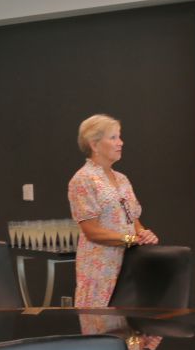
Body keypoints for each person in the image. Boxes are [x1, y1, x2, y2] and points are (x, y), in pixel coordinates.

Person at [68, 115, 158, 308]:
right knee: (102, 327)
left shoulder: (122, 179)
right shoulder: (83, 179)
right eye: (113, 137)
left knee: (130, 329)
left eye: (119, 137)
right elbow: (91, 231)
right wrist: (130, 239)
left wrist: (143, 233)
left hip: (128, 263)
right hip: (99, 268)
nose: (121, 142)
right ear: (94, 144)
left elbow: (132, 218)